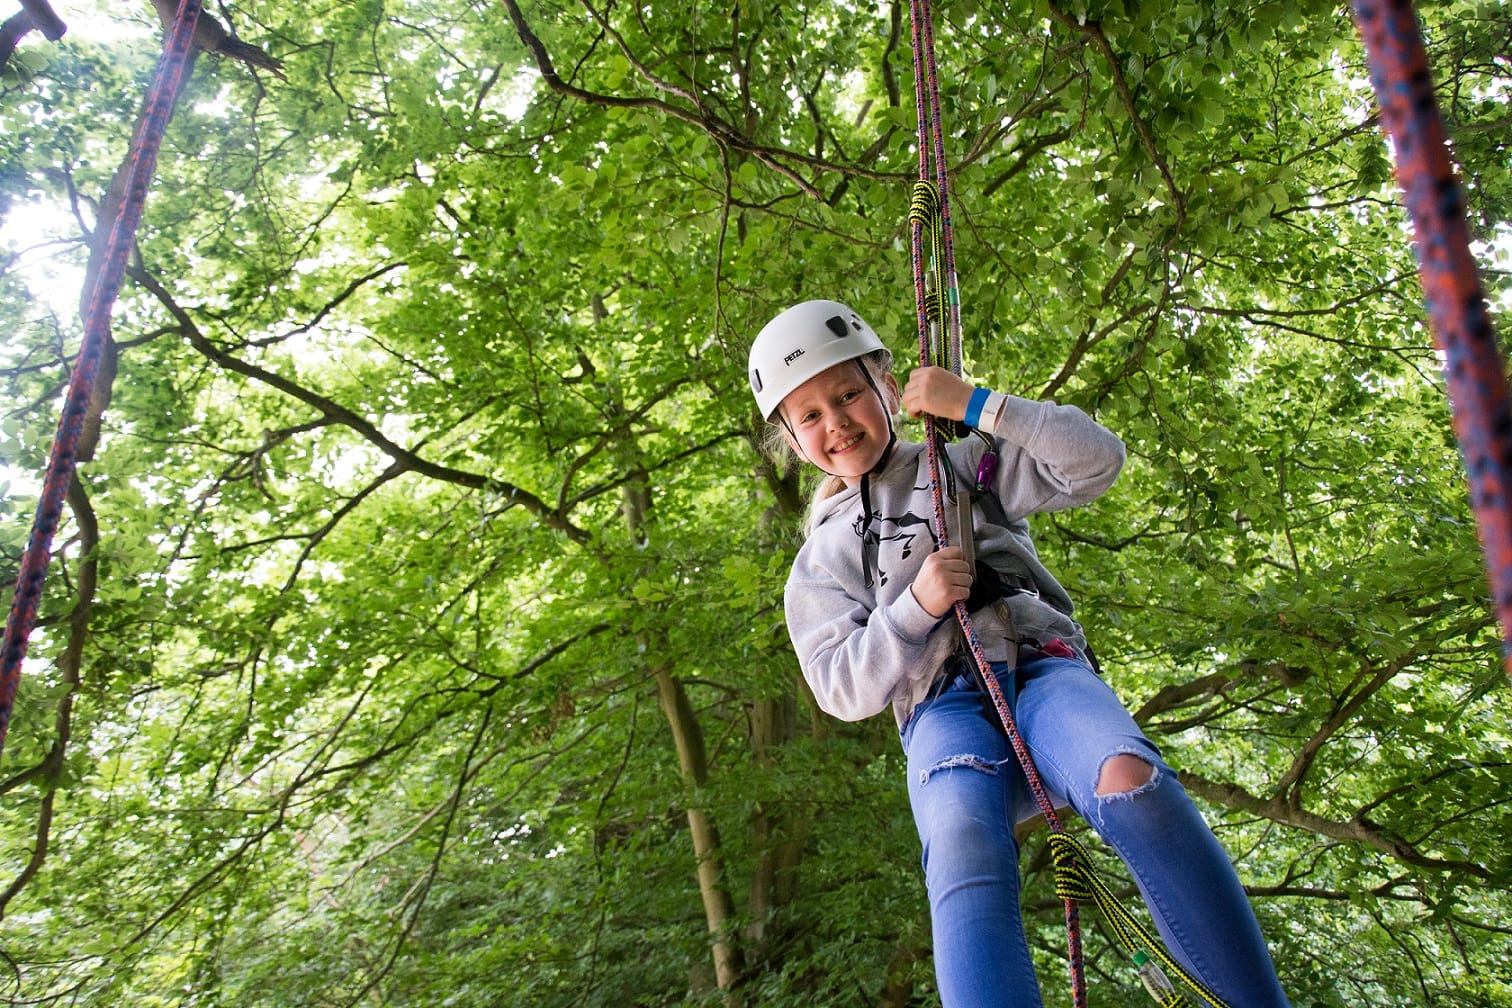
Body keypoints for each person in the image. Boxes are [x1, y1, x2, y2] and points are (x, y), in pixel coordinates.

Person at [747, 299, 1292, 1008]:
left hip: (1042, 668)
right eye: (810, 415)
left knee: (1131, 780)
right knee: (961, 847)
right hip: (943, 709)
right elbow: (839, 687)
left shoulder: (963, 462)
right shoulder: (821, 560)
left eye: (848, 394)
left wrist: (977, 403)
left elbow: (1097, 460)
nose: (837, 422)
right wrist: (918, 607)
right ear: (790, 439)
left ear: (886, 386)